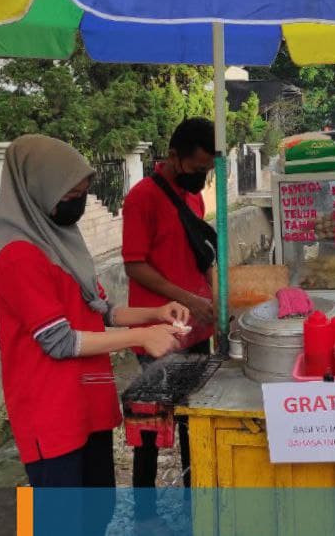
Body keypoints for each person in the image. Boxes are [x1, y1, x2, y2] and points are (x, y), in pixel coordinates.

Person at [0, 134, 191, 496]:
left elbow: (102, 311)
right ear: (38, 192)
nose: (77, 205)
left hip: (86, 404)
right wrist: (141, 338)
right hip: (51, 413)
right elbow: (59, 341)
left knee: (99, 514)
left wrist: (155, 313)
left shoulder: (62, 243)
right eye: (69, 197)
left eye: (81, 195)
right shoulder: (18, 256)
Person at [121, 117, 216, 518]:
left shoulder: (193, 198)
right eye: (197, 169)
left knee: (195, 422)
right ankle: (144, 512)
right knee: (150, 427)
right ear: (174, 156)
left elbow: (199, 255)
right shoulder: (142, 198)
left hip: (198, 330)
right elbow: (135, 266)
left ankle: (197, 501)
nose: (201, 178)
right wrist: (187, 299)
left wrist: (217, 296)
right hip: (157, 333)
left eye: (207, 171)